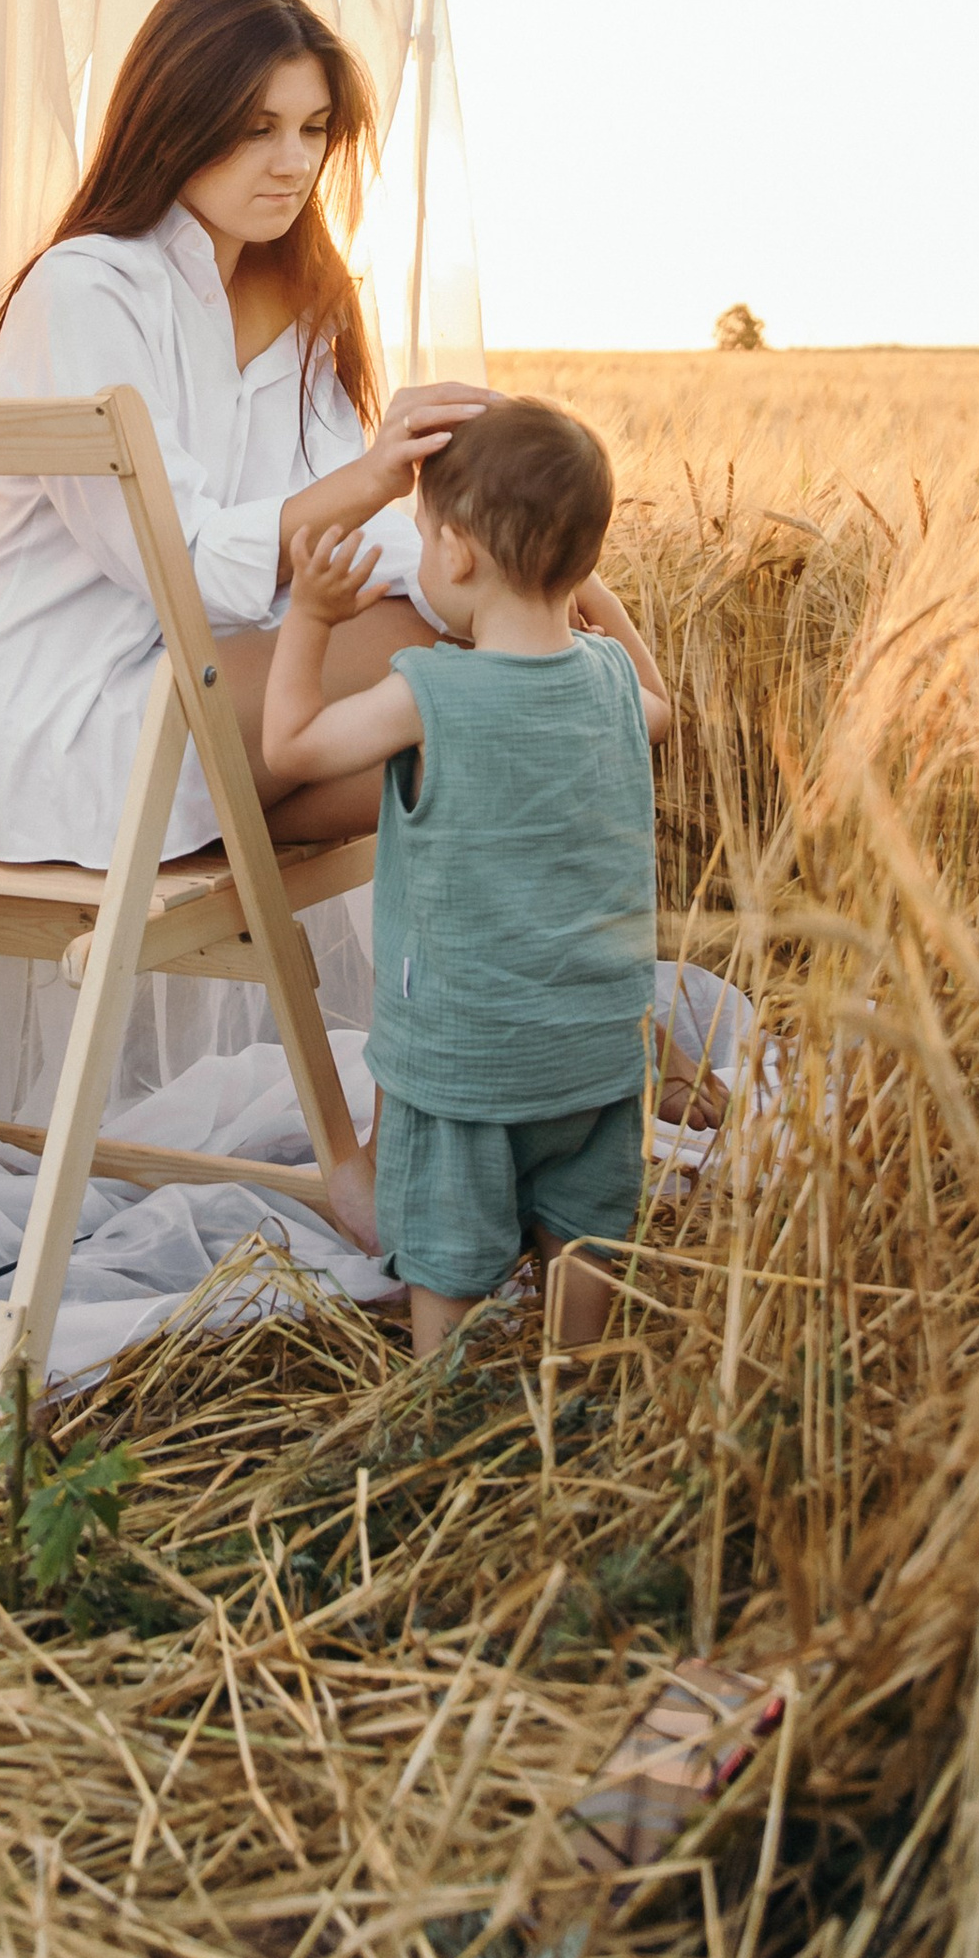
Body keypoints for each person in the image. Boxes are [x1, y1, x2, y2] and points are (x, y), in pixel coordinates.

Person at [0, 0, 492, 881]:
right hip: (75, 720)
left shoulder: (316, 306)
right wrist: (378, 480)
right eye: (255, 129)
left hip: (231, 711)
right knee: (453, 663)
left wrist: (513, 589)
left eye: (314, 129)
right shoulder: (89, 287)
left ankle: (512, 1025)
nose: (293, 161)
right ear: (174, 121)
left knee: (479, 745)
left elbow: (343, 559)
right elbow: (181, 569)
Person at [262, 395, 673, 1352]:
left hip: (465, 1066)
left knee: (445, 1253)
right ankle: (571, 1390)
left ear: (455, 556)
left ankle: (438, 1413)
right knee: (586, 1233)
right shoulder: (613, 684)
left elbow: (288, 746)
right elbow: (666, 703)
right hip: (596, 1056)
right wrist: (595, 596)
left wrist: (312, 618)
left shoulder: (427, 690)